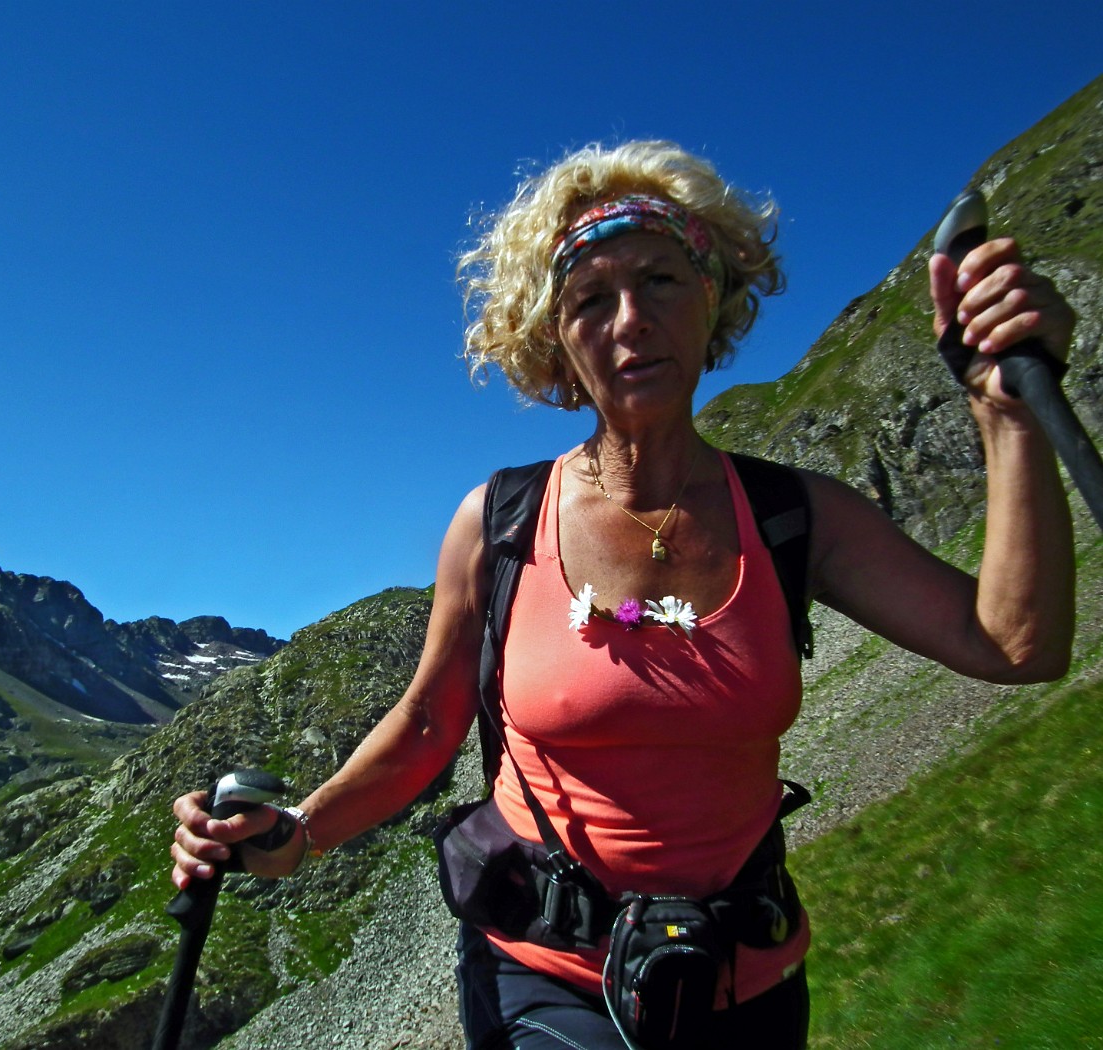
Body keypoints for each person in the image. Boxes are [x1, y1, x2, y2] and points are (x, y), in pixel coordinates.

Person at [172, 141, 1076, 1048]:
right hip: (543, 974)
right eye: (590, 300)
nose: (630, 320)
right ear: (556, 338)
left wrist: (1005, 411)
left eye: (661, 281)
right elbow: (426, 724)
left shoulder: (794, 517)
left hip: (746, 975)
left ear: (713, 295)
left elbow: (1015, 644)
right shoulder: (500, 521)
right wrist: (296, 832)